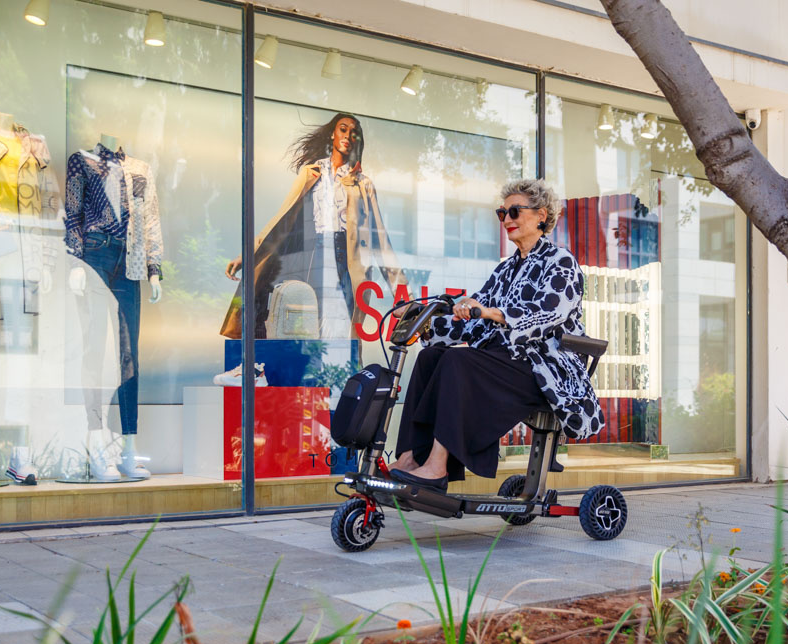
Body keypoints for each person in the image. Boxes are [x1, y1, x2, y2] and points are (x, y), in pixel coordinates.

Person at [388, 178, 605, 491]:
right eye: (502, 214)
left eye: (515, 212)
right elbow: (472, 320)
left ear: (541, 216)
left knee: (458, 361)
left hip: (539, 365)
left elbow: (548, 315)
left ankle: (437, 467)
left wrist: (492, 313)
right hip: (500, 361)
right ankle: (410, 456)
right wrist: (422, 321)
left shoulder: (560, 261)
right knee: (431, 357)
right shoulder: (504, 270)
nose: (507, 220)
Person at [218, 111, 404, 343]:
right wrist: (248, 254)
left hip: (343, 259)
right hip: (308, 256)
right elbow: (281, 219)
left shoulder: (362, 183)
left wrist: (402, 295)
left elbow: (379, 239)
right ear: (332, 136)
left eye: (353, 133)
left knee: (340, 333)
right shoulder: (311, 172)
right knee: (303, 329)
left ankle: (343, 378)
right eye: (343, 129)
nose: (347, 136)